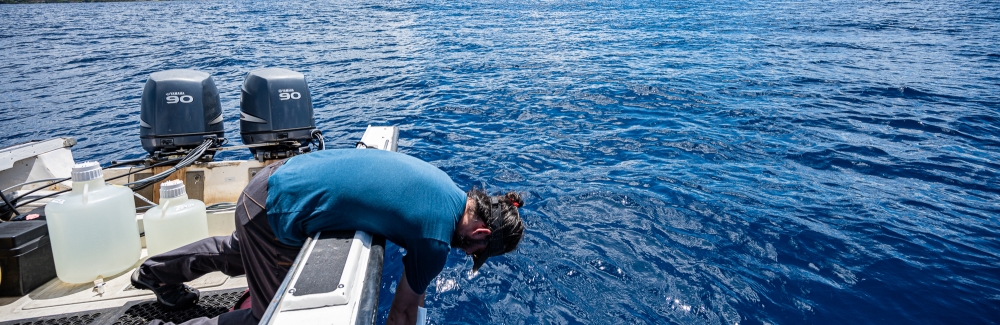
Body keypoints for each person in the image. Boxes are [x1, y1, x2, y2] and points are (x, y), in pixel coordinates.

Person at [130, 148, 526, 325]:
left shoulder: (446, 190)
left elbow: (415, 290)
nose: (467, 253)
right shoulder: (438, 240)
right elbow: (403, 312)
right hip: (273, 213)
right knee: (271, 318)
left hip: (271, 184)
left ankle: (154, 273)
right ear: (481, 232)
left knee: (238, 253)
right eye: (475, 251)